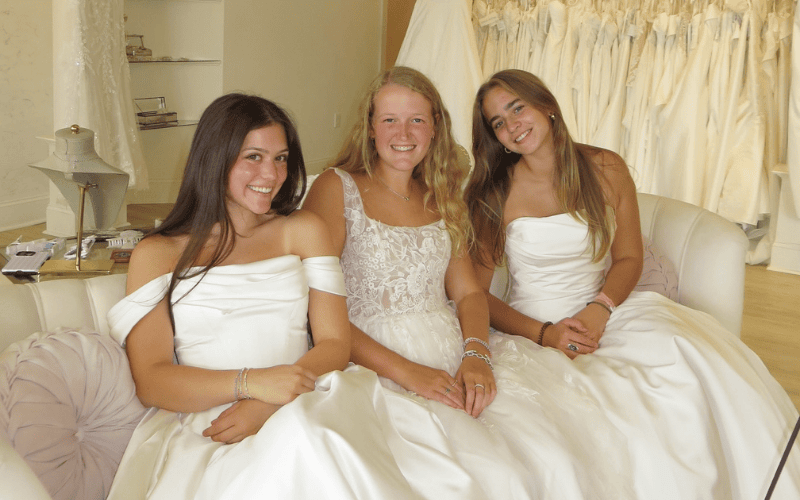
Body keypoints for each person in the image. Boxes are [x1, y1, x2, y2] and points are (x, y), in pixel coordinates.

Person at [105, 93, 494, 500]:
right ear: (215, 157)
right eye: (253, 156)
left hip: (306, 397)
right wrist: (254, 386)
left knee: (319, 447)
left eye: (281, 158)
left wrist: (274, 400)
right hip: (209, 414)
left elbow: (335, 342)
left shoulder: (302, 230)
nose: (271, 174)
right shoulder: (158, 253)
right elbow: (151, 379)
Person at [304, 66, 637, 500]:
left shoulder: (440, 196)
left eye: (417, 120)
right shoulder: (336, 188)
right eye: (389, 120)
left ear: (435, 127)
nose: (403, 132)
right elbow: (318, 312)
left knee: (537, 453)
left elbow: (467, 293)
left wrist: (476, 354)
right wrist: (407, 372)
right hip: (369, 359)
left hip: (452, 348)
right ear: (370, 128)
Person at [466, 69, 800, 499]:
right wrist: (545, 334)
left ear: (547, 105)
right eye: (498, 122)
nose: (511, 125)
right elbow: (474, 294)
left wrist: (600, 309)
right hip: (534, 329)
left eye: (517, 108)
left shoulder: (605, 167)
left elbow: (628, 258)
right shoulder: (495, 193)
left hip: (609, 310)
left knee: (690, 365)